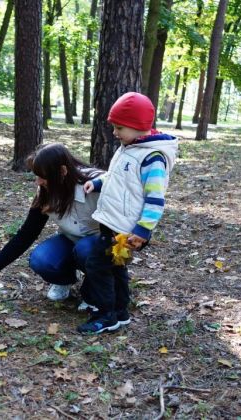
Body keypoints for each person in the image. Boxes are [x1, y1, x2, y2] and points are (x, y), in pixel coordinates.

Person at [78, 92, 179, 334]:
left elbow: (155, 199)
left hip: (128, 229)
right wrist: (100, 182)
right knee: (116, 267)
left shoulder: (152, 158)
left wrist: (143, 230)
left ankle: (105, 315)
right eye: (114, 127)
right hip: (112, 222)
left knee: (97, 266)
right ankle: (120, 311)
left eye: (119, 127)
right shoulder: (128, 147)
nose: (114, 133)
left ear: (138, 127)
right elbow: (118, 178)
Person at [0, 143, 103, 306]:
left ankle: (97, 286)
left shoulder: (96, 184)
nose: (38, 182)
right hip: (71, 240)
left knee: (86, 249)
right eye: (36, 176)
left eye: (43, 176)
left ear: (62, 172)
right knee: (41, 259)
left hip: (103, 243)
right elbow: (26, 234)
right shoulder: (46, 191)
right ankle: (65, 280)